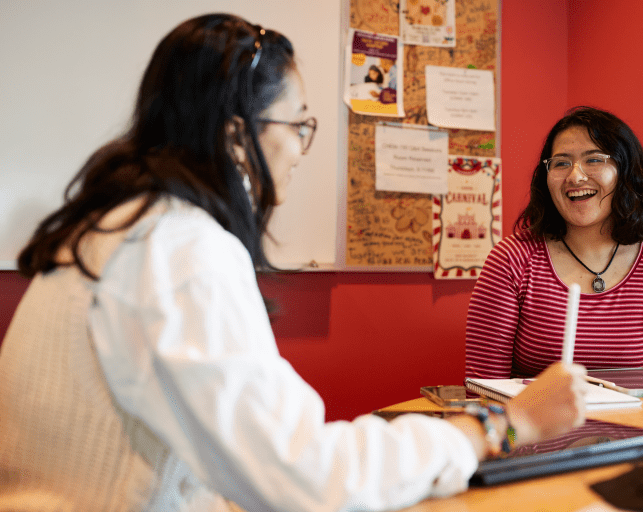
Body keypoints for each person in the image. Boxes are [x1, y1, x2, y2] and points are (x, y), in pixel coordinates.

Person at [0, 14, 587, 512]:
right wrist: (501, 427)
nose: (303, 152)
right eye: (298, 125)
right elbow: (305, 477)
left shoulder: (122, 226)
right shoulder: (179, 250)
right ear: (237, 137)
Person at [465, 106, 643, 381]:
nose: (575, 176)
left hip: (639, 424)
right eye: (562, 163)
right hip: (537, 425)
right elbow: (483, 391)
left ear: (625, 171)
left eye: (594, 160)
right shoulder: (511, 260)